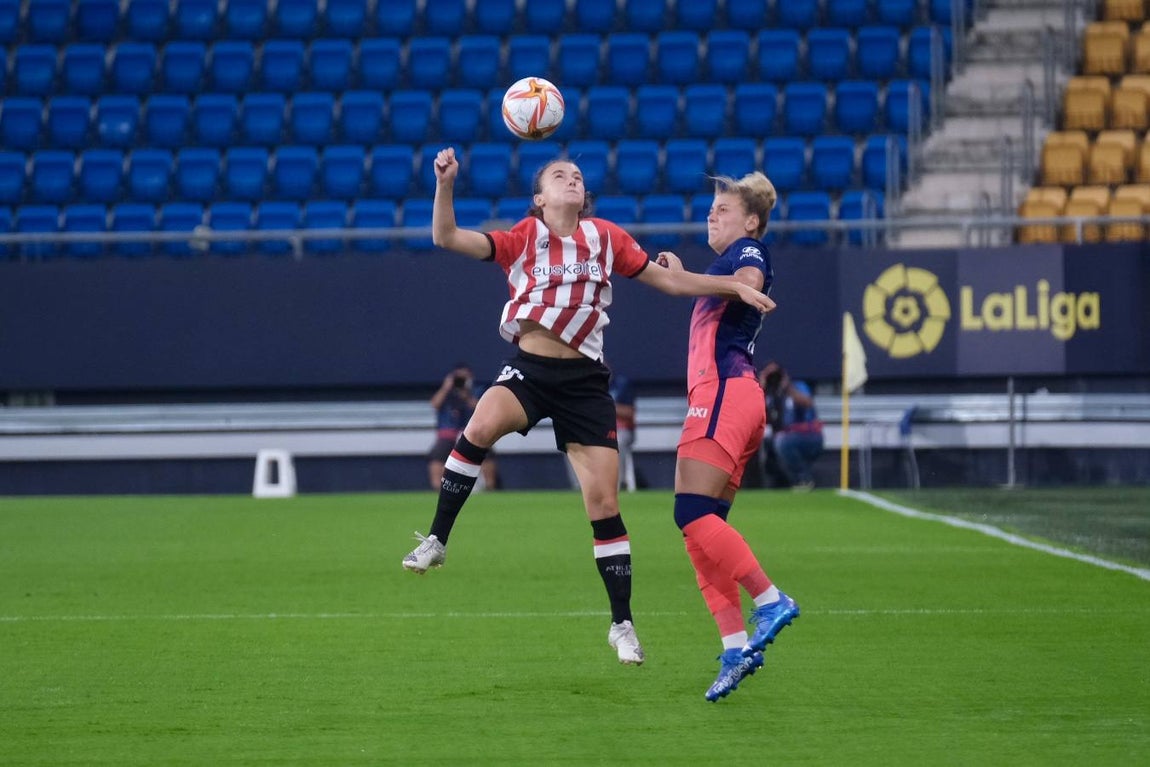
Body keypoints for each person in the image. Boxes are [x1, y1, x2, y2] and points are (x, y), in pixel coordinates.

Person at [401, 148, 775, 667]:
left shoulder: (606, 237)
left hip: (584, 383)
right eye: (559, 175)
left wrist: (730, 285)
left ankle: (622, 625)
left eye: (577, 175)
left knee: (603, 504)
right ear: (540, 199)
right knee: (480, 424)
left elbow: (669, 281)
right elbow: (446, 237)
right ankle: (438, 539)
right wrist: (445, 184)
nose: (572, 178)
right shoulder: (523, 237)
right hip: (530, 369)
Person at [657, 171, 799, 701]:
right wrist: (686, 275)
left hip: (723, 392)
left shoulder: (749, 251)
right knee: (702, 532)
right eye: (711, 207)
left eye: (723, 207)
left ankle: (770, 600)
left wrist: (685, 275)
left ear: (752, 221)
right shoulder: (728, 261)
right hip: (735, 398)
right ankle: (736, 648)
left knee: (689, 514)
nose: (712, 214)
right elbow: (716, 285)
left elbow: (750, 281)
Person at [427, 364, 498, 491]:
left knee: (487, 453)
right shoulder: (447, 393)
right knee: (438, 452)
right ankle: (437, 487)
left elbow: (482, 408)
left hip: (472, 431)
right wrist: (446, 387)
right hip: (448, 433)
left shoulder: (477, 390)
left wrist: (467, 396)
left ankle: (489, 486)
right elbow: (434, 404)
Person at [761, 361, 824, 491]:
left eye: (776, 375)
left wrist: (788, 388)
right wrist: (761, 387)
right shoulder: (768, 393)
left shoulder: (797, 386)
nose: (774, 379)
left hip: (807, 435)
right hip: (780, 436)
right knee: (765, 441)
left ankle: (803, 479)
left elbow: (808, 403)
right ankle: (775, 483)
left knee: (782, 442)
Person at [609, 366, 638, 492]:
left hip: (622, 430)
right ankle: (579, 487)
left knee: (618, 441)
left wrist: (606, 406)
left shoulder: (621, 385)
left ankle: (619, 484)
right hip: (599, 430)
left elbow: (630, 413)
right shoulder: (590, 386)